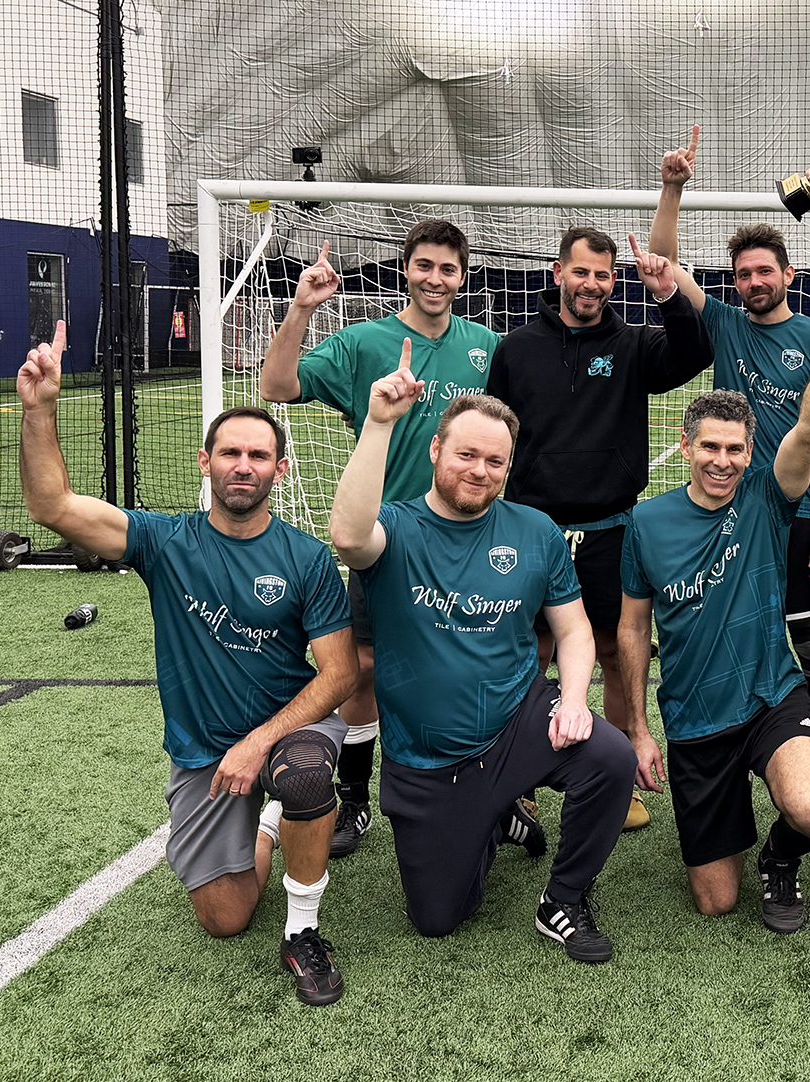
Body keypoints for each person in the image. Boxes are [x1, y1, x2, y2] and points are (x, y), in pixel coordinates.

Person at [22, 322, 358, 1005]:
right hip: (202, 751)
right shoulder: (163, 542)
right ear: (204, 463)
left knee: (299, 772)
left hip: (288, 733)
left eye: (259, 455)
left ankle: (303, 930)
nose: (244, 465)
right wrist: (39, 408)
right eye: (230, 452)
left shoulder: (306, 557)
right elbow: (52, 506)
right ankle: (271, 826)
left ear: (280, 470)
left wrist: (259, 743)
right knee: (225, 919)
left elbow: (340, 675)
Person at [329, 356, 637, 958]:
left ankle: (564, 899)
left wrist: (574, 700)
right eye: (467, 455)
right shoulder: (393, 527)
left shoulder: (535, 530)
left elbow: (574, 632)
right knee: (439, 918)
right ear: (436, 450)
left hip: (518, 717)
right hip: (429, 757)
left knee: (609, 756)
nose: (480, 471)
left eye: (495, 461)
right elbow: (347, 535)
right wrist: (378, 423)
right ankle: (495, 817)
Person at [617, 270, 810, 934]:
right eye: (711, 448)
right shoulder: (647, 523)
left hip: (769, 697)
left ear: (752, 453)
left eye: (735, 449)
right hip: (695, 723)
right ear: (687, 446)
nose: (722, 461)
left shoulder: (766, 499)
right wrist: (638, 729)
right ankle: (729, 821)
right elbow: (634, 630)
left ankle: (780, 860)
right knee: (716, 901)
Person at [260, 220, 499, 859]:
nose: (436, 279)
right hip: (385, 542)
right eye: (425, 265)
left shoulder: (485, 345)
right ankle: (357, 797)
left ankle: (495, 789)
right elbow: (276, 387)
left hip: (470, 542)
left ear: (463, 275)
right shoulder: (365, 342)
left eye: (448, 269)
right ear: (406, 270)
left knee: (471, 664)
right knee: (362, 667)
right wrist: (302, 308)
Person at [486, 225, 713, 833]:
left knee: (615, 651)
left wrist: (668, 294)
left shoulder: (634, 344)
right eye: (581, 272)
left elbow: (695, 354)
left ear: (614, 282)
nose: (591, 285)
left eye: (603, 275)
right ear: (557, 273)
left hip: (613, 528)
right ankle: (522, 780)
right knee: (527, 654)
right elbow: (496, 431)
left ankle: (613, 773)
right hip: (532, 530)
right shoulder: (516, 349)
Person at [649, 127, 810, 801]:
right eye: (744, 273)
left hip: (791, 511)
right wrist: (672, 189)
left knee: (809, 641)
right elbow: (662, 266)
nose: (754, 281)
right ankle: (739, 742)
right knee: (737, 632)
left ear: (788, 275)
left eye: (766, 270)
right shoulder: (726, 325)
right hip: (724, 511)